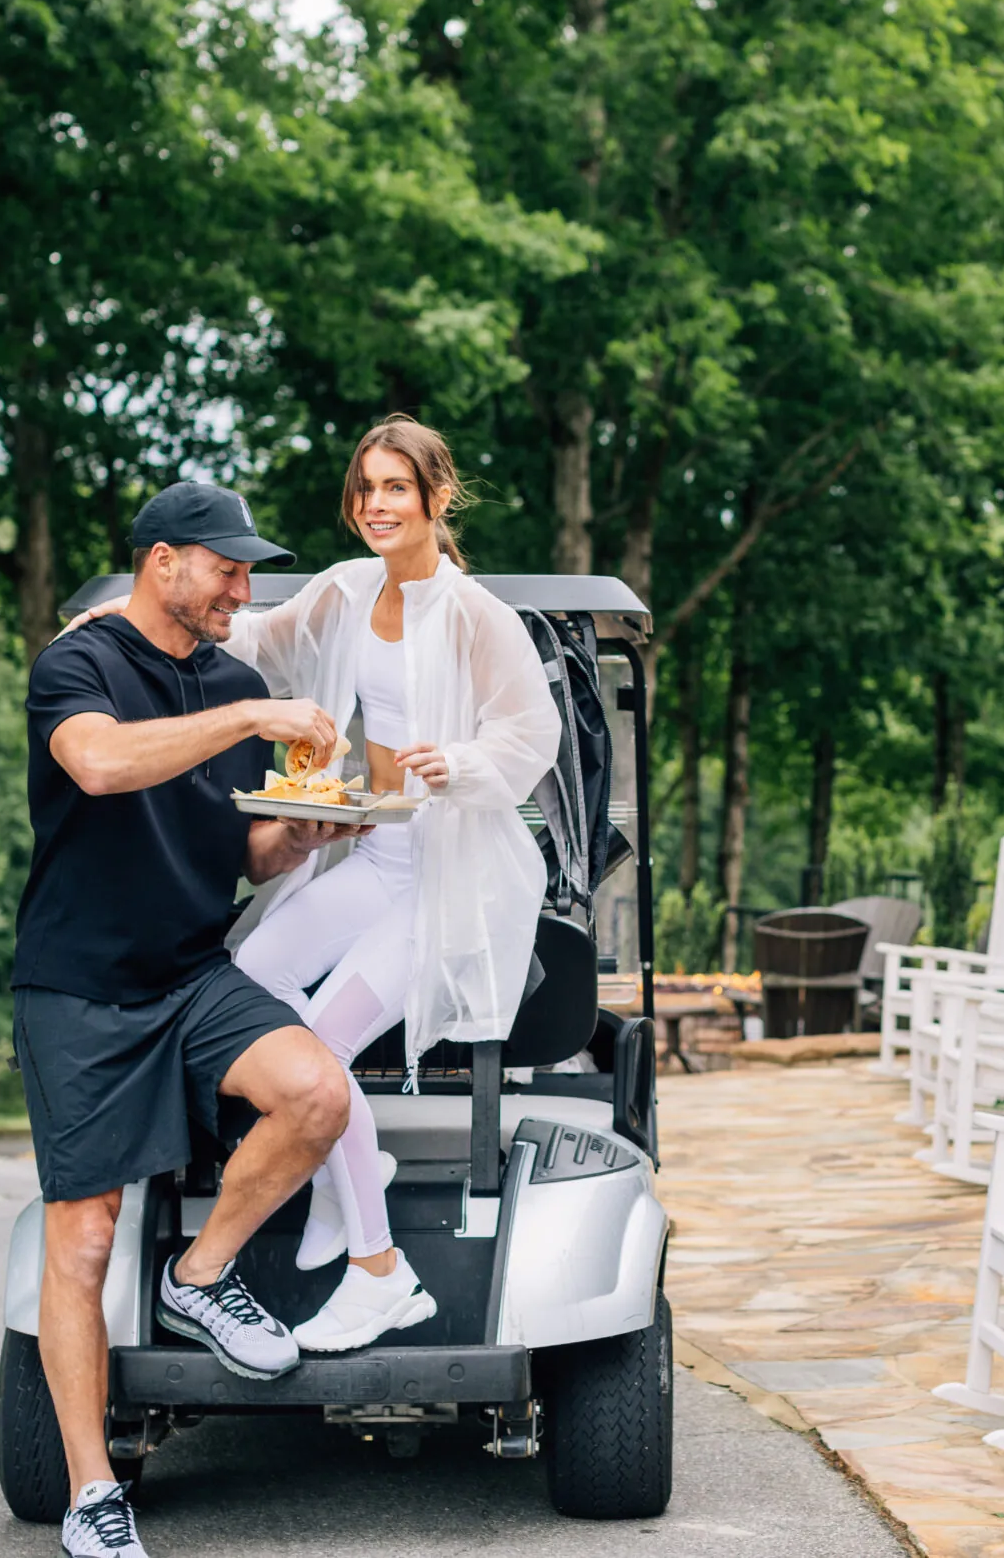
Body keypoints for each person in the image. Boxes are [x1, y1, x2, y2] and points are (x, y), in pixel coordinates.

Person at [12, 482, 363, 1558]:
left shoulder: (233, 674)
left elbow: (235, 848)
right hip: (78, 988)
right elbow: (102, 764)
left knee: (318, 1094)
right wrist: (253, 717)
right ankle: (91, 1494)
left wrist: (296, 839)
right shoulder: (79, 664)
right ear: (162, 562)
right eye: (227, 568)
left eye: (248, 573)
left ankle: (200, 1274)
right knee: (82, 1240)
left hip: (193, 972)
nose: (242, 591)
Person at [222, 417, 562, 1352]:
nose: (375, 504)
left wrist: (456, 759)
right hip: (377, 852)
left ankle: (380, 1271)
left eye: (396, 488)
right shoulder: (344, 590)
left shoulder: (476, 613)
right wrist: (132, 620)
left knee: (321, 1045)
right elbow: (258, 639)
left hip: (450, 878)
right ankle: (343, 1174)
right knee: (252, 977)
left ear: (435, 498)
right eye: (365, 487)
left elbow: (532, 735)